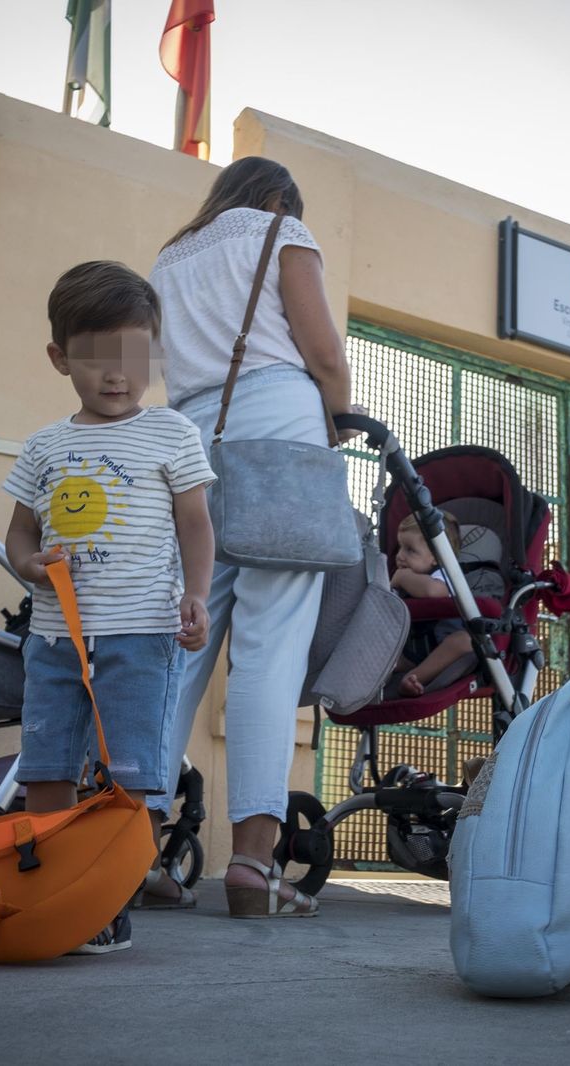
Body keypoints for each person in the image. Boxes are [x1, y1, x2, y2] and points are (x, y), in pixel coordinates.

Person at [144, 157, 357, 918]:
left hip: (189, 435)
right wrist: (336, 417)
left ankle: (132, 847)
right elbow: (324, 352)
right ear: (277, 198)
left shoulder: (168, 258)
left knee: (181, 640)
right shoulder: (282, 230)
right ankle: (254, 864)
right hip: (278, 429)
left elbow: (152, 366)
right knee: (270, 649)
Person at [2, 261, 214, 953]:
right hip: (56, 637)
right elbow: (22, 530)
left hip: (142, 637)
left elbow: (196, 525)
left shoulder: (172, 434)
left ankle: (109, 899)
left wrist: (196, 595)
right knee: (46, 767)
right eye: (96, 358)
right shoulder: (45, 445)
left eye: (133, 357)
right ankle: (50, 890)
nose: (117, 375)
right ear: (61, 357)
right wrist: (25, 562)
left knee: (132, 774)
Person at [388, 512, 500, 697]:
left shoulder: (443, 574)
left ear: (436, 556)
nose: (399, 556)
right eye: (400, 547)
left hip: (443, 642)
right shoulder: (404, 576)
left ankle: (413, 677)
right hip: (410, 644)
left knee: (466, 642)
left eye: (410, 550)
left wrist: (403, 578)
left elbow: (434, 592)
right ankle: (393, 670)